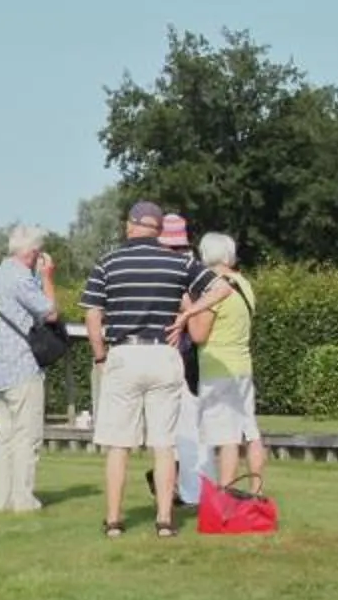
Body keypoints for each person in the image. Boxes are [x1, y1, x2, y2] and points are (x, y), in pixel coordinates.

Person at [81, 199, 199, 537]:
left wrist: (100, 356)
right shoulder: (178, 264)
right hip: (163, 354)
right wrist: (186, 317)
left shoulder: (108, 263)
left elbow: (92, 314)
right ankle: (164, 520)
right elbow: (210, 293)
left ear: (130, 225)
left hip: (125, 353)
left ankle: (115, 520)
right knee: (164, 444)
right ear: (159, 228)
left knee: (119, 444)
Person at [176, 231, 265, 495]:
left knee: (227, 437)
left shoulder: (212, 287)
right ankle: (257, 491)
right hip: (243, 366)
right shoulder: (243, 284)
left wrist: (188, 307)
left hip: (218, 370)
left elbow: (199, 334)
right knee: (250, 432)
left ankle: (226, 495)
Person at [0, 224, 59, 512]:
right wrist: (48, 277)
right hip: (23, 367)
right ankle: (23, 499)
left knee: (7, 438)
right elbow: (50, 312)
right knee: (28, 436)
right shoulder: (21, 279)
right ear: (34, 252)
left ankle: (4, 499)